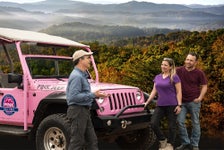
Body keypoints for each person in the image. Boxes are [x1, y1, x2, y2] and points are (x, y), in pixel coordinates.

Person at [66, 49, 109, 150]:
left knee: (92, 141)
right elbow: (73, 97)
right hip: (77, 111)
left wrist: (97, 95)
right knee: (77, 142)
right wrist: (93, 94)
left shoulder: (82, 75)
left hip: (83, 111)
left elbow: (83, 94)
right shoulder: (77, 76)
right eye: (87, 58)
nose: (90, 60)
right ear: (80, 60)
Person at [144, 57, 182, 150]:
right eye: (162, 64)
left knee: (172, 126)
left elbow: (179, 91)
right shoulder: (157, 77)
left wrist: (179, 105)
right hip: (160, 104)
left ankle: (170, 145)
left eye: (165, 65)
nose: (163, 66)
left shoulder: (174, 77)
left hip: (172, 104)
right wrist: (147, 102)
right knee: (153, 123)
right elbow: (154, 91)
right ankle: (162, 140)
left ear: (170, 67)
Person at [175, 52, 208, 150]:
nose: (188, 62)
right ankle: (186, 142)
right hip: (181, 102)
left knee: (195, 123)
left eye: (191, 60)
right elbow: (167, 75)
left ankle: (194, 145)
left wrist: (200, 98)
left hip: (194, 101)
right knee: (180, 122)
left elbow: (204, 86)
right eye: (187, 59)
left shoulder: (199, 73)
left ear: (196, 62)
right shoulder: (179, 70)